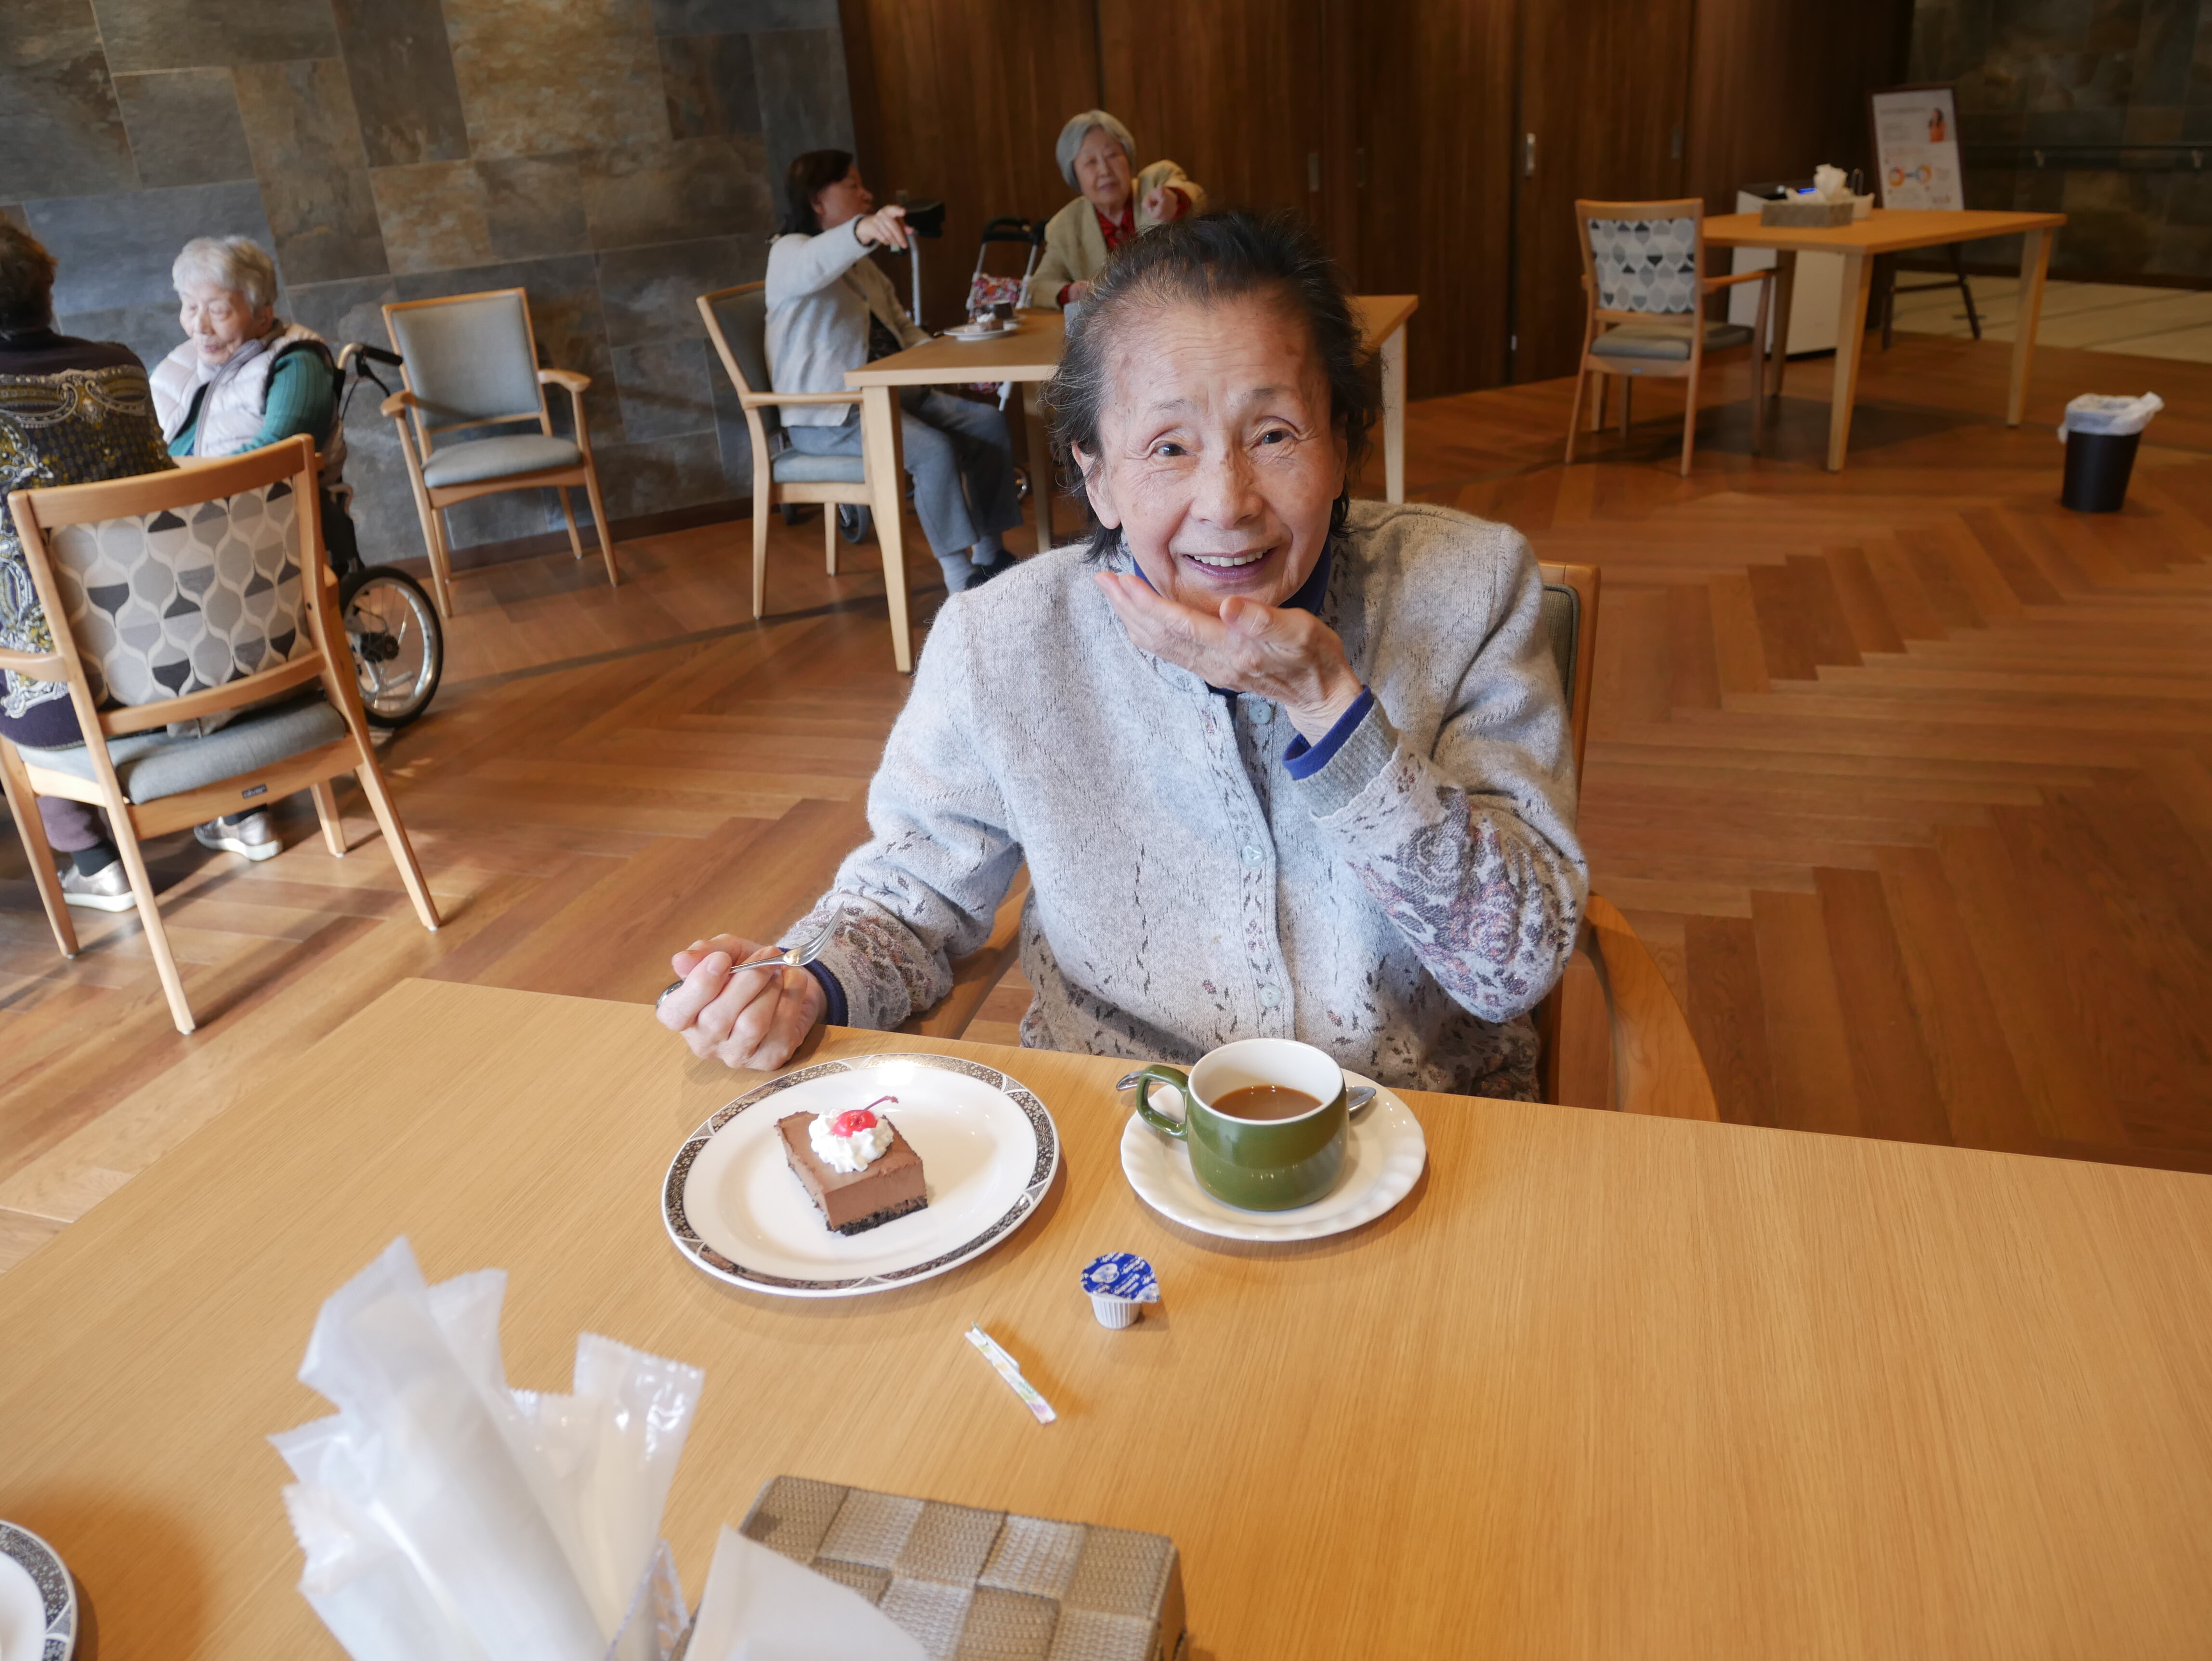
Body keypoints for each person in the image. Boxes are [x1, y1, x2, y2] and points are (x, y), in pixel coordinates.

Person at [659, 212, 1588, 1101]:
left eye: (1273, 434)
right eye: (1167, 447)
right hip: (1126, 1122)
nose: (1226, 501)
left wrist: (1331, 710)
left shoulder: (1468, 587)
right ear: (1097, 475)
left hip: (1423, 1123)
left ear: (1342, 442)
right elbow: (908, 898)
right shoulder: (1005, 639)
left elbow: (1513, 963)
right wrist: (805, 980)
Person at [149, 235, 349, 865]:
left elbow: (279, 455)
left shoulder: (297, 361)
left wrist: (176, 482)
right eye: (189, 308)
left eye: (218, 309)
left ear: (262, 312)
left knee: (180, 617)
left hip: (273, 536)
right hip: (194, 530)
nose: (199, 326)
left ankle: (236, 798)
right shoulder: (179, 366)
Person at [0, 223, 178, 912]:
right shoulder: (122, 369)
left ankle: (95, 859)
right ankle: (237, 807)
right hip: (177, 653)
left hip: (58, 695)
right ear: (46, 290)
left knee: (23, 617)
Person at [766, 150, 1021, 595]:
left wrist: (947, 357)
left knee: (987, 423)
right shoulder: (787, 252)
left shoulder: (860, 265)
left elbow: (901, 327)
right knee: (934, 451)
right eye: (852, 185)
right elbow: (815, 263)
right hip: (832, 415)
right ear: (817, 201)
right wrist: (863, 229)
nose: (866, 195)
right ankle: (960, 580)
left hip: (894, 396)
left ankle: (991, 556)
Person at [1031, 111, 1205, 309]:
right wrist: (1074, 292)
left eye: (1113, 155)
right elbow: (1039, 287)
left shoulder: (1156, 181)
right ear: (1075, 175)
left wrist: (1174, 199)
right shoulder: (1065, 225)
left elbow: (1196, 193)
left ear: (1128, 159)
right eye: (1091, 162)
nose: (1105, 171)